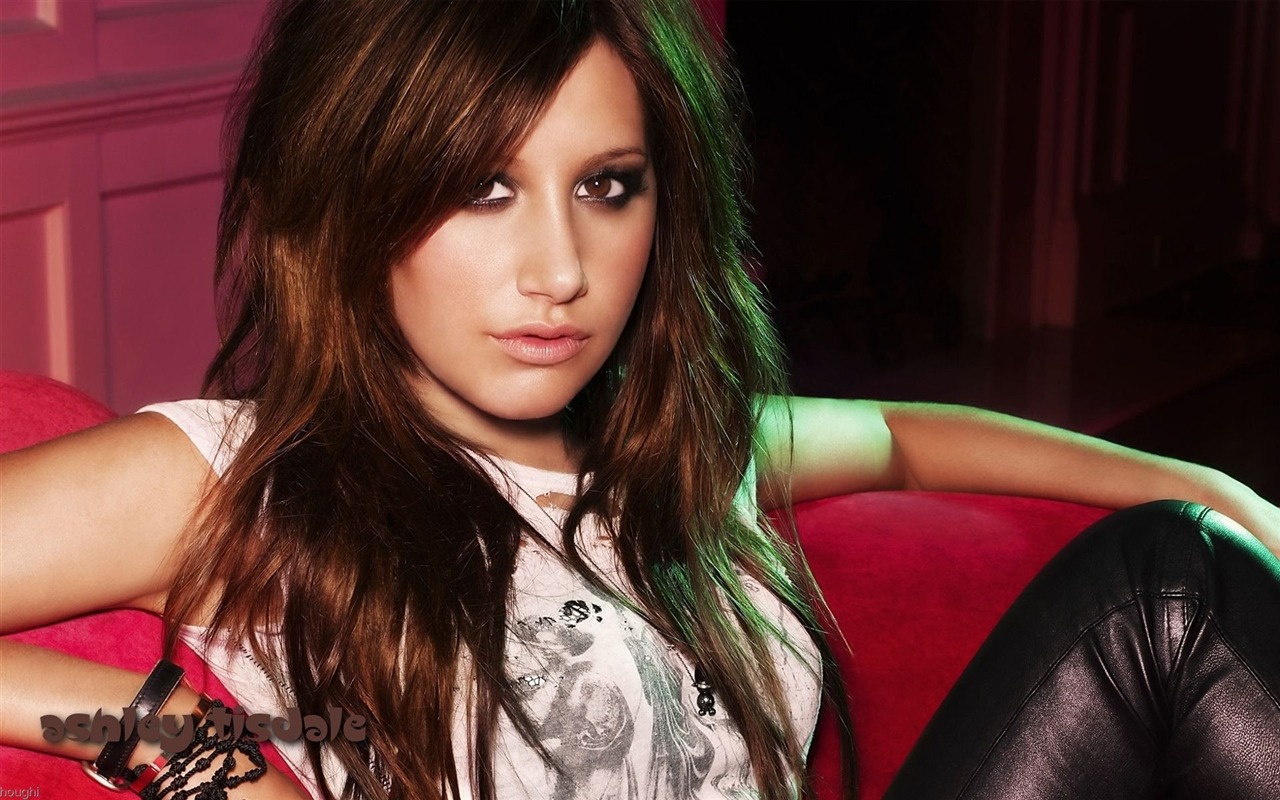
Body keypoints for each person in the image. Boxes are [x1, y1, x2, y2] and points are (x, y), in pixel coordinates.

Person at [2, 1, 1278, 799]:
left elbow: (895, 437)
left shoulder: (662, 453)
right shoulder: (246, 476)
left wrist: (1211, 486)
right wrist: (167, 734)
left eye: (605, 186)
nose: (559, 269)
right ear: (356, 197)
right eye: (483, 187)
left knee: (1170, 573)